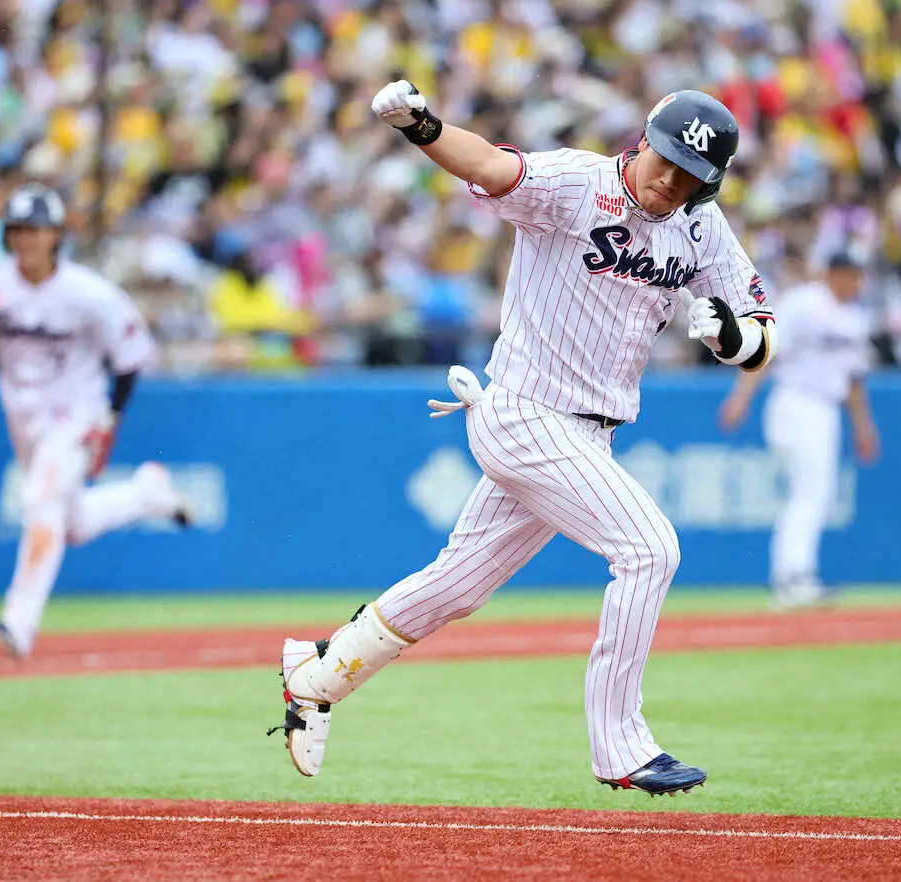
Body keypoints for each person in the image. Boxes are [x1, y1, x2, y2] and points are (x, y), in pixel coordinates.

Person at [270, 81, 777, 796]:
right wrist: (422, 125)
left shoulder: (701, 227)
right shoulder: (580, 183)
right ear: (642, 140)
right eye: (664, 158)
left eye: (690, 174)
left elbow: (759, 332)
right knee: (650, 548)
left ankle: (317, 677)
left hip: (586, 435)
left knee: (456, 587)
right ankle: (621, 748)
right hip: (524, 413)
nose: (670, 179)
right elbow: (490, 166)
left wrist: (734, 336)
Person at [0, 184, 192, 659]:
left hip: (76, 414)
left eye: (36, 230)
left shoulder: (87, 293)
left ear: (55, 236)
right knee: (72, 522)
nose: (26, 240)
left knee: (40, 500)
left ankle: (18, 624)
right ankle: (148, 493)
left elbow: (130, 355)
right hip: (23, 416)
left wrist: (110, 414)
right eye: (18, 230)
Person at [719, 251, 879, 609]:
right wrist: (740, 397)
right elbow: (766, 352)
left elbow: (854, 379)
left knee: (812, 493)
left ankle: (792, 574)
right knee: (809, 492)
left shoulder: (855, 317)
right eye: (850, 275)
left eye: (858, 276)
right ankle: (794, 575)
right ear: (833, 273)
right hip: (795, 401)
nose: (855, 283)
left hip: (826, 409)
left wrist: (863, 426)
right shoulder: (805, 303)